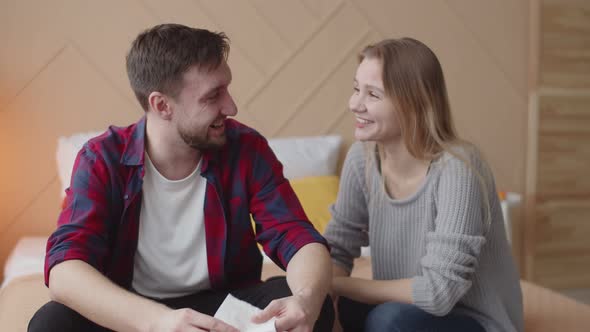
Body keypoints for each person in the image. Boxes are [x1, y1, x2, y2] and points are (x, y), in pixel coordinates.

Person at [28, 23, 333, 332]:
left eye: (226, 88)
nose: (231, 106)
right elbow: (64, 270)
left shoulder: (246, 149)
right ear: (162, 105)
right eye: (213, 96)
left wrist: (307, 300)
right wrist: (160, 322)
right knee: (52, 322)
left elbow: (296, 235)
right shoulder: (101, 159)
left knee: (304, 305)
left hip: (222, 312)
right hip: (134, 314)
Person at [324, 38, 523, 332]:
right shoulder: (361, 159)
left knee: (388, 321)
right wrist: (325, 298)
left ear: (412, 104)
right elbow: (338, 249)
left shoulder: (458, 167)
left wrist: (337, 285)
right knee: (304, 299)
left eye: (373, 95)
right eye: (356, 89)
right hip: (404, 307)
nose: (354, 104)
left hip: (474, 319)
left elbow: (438, 294)